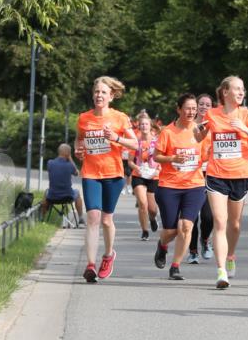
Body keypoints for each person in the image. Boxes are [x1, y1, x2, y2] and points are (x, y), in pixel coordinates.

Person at [196, 75, 248, 289]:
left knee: (234, 224)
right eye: (236, 89)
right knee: (220, 222)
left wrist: (244, 129)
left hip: (240, 176)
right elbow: (199, 137)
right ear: (225, 92)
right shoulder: (212, 114)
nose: (240, 92)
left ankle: (231, 255)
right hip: (217, 174)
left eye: (242, 89)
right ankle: (220, 271)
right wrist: (197, 131)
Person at [75, 76, 137, 283]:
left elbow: (136, 144)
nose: (99, 95)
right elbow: (79, 138)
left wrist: (116, 138)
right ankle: (90, 265)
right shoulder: (84, 118)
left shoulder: (120, 118)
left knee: (106, 220)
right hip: (91, 173)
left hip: (113, 174)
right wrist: (78, 149)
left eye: (103, 92)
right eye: (96, 92)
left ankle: (108, 255)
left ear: (111, 96)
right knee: (93, 217)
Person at [153, 94, 209, 280]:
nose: (191, 112)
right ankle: (162, 246)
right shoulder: (168, 132)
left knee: (186, 226)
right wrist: (172, 159)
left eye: (194, 109)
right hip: (169, 185)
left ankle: (175, 266)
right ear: (179, 109)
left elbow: (206, 155)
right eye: (187, 108)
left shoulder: (200, 131)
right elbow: (156, 156)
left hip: (194, 185)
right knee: (170, 230)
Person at [187, 93, 214, 264]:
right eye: (201, 104)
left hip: (210, 173)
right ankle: (193, 251)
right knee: (192, 216)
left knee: (209, 216)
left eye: (207, 104)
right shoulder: (188, 126)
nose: (204, 107)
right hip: (190, 173)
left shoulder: (216, 126)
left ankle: (205, 240)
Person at [130, 111, 160, 240]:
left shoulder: (157, 141)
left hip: (153, 175)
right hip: (139, 175)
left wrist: (159, 169)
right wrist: (137, 168)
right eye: (141, 124)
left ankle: (152, 219)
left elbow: (161, 158)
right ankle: (144, 231)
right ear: (139, 126)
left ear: (150, 125)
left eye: (146, 124)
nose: (144, 126)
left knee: (152, 209)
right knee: (142, 203)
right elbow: (130, 161)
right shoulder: (135, 142)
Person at [41, 143, 85, 224]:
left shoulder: (50, 163)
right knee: (77, 193)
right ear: (68, 154)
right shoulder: (69, 165)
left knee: (46, 192)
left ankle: (42, 218)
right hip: (67, 196)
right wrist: (70, 158)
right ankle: (81, 218)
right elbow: (76, 173)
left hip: (52, 196)